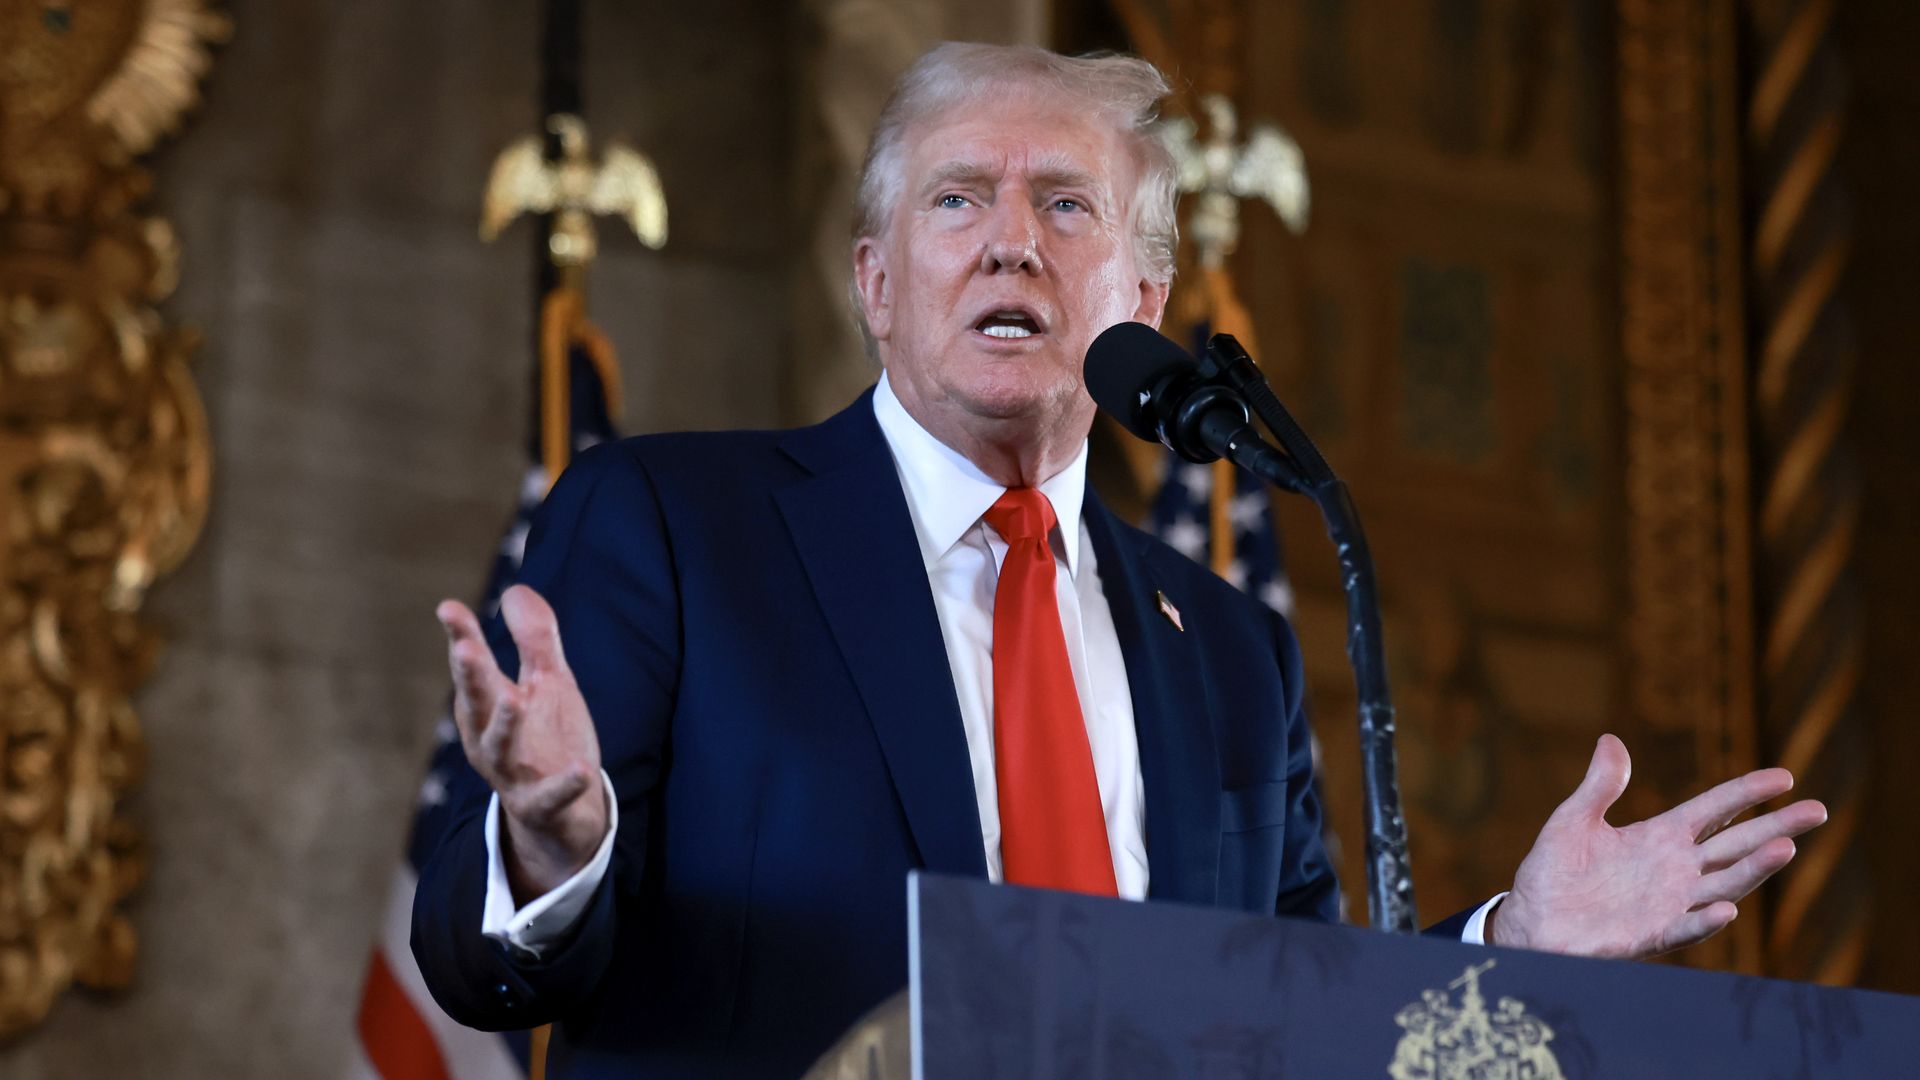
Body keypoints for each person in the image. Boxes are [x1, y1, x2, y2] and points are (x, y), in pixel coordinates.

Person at [410, 43, 1827, 1079]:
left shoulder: (1227, 650)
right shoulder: (674, 526)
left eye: (1067, 207)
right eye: (959, 200)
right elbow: (487, 972)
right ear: (877, 281)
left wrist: (1514, 940)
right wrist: (554, 835)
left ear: (1141, 301)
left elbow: (1301, 1025)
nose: (1011, 242)